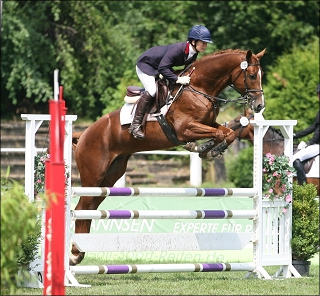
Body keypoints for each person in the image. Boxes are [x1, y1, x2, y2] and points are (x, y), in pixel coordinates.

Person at [128, 25, 213, 140]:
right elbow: (163, 68)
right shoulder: (178, 49)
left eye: (206, 43)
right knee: (152, 91)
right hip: (146, 65)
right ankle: (135, 125)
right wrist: (178, 79)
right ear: (193, 41)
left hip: (160, 66)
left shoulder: (193, 53)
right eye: (203, 43)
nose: (205, 46)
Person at [292, 83, 320, 185]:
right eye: (318, 94)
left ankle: (303, 187)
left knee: (295, 159)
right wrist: (295, 135)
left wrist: (310, 143)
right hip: (316, 144)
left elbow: (318, 132)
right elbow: (313, 127)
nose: (318, 96)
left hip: (318, 145)